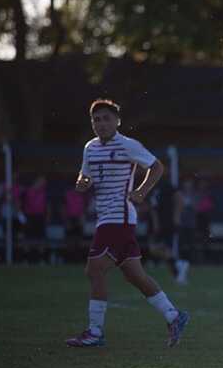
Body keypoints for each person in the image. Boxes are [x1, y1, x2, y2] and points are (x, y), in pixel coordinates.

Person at [65, 99, 189, 348]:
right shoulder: (90, 147)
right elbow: (85, 174)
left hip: (118, 218)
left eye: (106, 118)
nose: (101, 123)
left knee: (95, 269)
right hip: (106, 218)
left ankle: (95, 332)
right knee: (134, 275)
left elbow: (157, 166)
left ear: (117, 121)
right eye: (96, 119)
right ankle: (174, 316)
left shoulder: (127, 145)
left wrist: (141, 191)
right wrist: (82, 182)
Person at [149, 174, 190, 283]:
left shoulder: (166, 185)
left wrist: (176, 217)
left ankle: (178, 271)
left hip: (168, 222)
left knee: (161, 248)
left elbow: (179, 199)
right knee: (157, 249)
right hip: (161, 224)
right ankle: (179, 266)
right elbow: (153, 208)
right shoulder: (152, 187)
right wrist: (155, 223)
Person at [22, 175, 50, 263]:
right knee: (28, 238)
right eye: (42, 181)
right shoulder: (27, 191)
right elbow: (20, 204)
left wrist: (47, 217)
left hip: (40, 217)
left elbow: (47, 206)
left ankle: (41, 258)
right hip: (29, 217)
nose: (44, 184)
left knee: (41, 238)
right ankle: (26, 258)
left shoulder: (44, 193)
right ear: (37, 181)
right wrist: (22, 218)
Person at [174, 178, 198, 281]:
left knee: (190, 245)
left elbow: (196, 207)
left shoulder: (194, 195)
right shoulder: (180, 195)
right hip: (182, 224)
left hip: (191, 224)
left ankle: (188, 265)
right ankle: (180, 266)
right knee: (181, 245)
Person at [62, 187, 87, 263]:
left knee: (79, 241)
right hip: (70, 219)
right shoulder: (67, 195)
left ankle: (78, 259)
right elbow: (63, 208)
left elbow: (84, 208)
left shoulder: (82, 195)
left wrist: (82, 218)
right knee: (69, 241)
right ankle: (68, 259)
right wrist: (66, 220)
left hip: (79, 219)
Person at [195, 179, 215, 263]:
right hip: (196, 219)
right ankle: (197, 258)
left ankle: (206, 258)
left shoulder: (208, 196)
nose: (202, 186)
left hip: (205, 221)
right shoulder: (196, 195)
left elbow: (211, 207)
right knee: (197, 239)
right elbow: (195, 207)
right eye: (201, 184)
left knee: (206, 240)